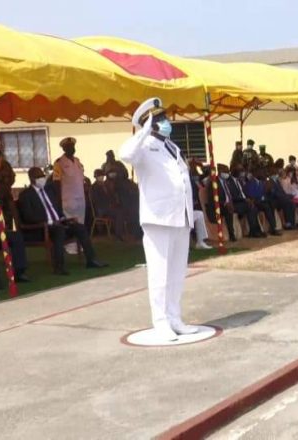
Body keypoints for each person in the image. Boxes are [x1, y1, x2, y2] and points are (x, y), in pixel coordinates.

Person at [118, 97, 196, 341]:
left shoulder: (172, 147)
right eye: (160, 119)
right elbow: (125, 154)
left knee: (176, 271)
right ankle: (160, 321)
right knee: (159, 272)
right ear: (148, 123)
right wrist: (143, 131)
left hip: (180, 216)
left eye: (165, 118)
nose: (166, 122)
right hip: (158, 218)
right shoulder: (143, 147)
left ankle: (175, 317)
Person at [18, 167, 107, 276]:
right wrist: (48, 221)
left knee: (79, 227)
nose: (42, 179)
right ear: (32, 179)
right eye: (38, 177)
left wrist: (63, 218)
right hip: (42, 228)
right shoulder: (26, 195)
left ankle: (91, 260)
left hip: (58, 223)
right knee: (59, 230)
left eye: (42, 176)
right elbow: (28, 217)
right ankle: (59, 267)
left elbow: (57, 210)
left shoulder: (48, 191)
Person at [53, 137, 87, 255]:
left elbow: (81, 178)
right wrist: (58, 200)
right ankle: (69, 246)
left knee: (80, 222)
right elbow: (56, 182)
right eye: (69, 147)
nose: (72, 149)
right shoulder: (59, 163)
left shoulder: (77, 161)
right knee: (70, 223)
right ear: (64, 149)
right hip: (68, 198)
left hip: (80, 197)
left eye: (73, 147)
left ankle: (81, 245)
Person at [242, 168, 282, 236]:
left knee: (270, 205)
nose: (262, 174)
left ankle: (273, 228)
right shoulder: (250, 182)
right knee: (265, 206)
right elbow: (251, 194)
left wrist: (270, 189)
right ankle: (257, 231)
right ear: (255, 173)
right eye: (260, 172)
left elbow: (265, 193)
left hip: (261, 202)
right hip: (254, 201)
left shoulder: (261, 182)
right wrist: (261, 197)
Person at [267, 163, 298, 229]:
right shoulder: (270, 181)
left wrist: (287, 196)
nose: (276, 174)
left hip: (286, 198)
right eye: (274, 172)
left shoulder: (276, 181)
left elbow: (282, 191)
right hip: (277, 200)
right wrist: (284, 197)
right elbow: (274, 193)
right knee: (290, 203)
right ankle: (289, 224)